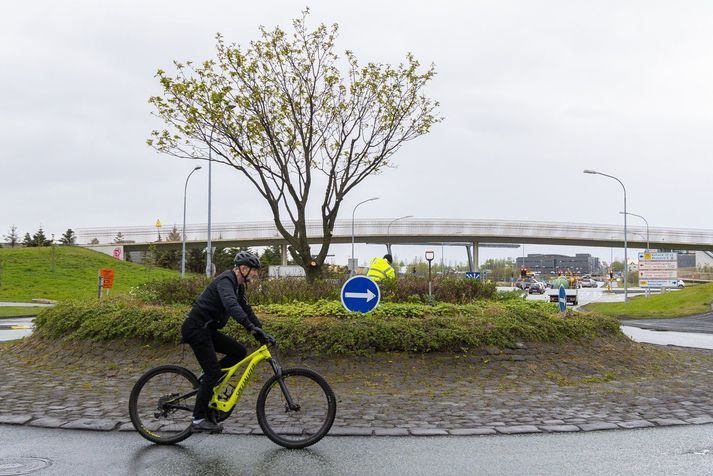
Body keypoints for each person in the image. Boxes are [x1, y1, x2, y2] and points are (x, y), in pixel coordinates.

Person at [181, 250, 275, 433]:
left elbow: (245, 309)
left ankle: (209, 385)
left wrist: (260, 331)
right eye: (254, 270)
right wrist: (249, 327)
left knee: (239, 352)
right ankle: (198, 419)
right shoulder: (226, 281)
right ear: (243, 268)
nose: (256, 274)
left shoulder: (239, 286)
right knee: (213, 372)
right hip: (196, 328)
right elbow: (231, 306)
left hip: (207, 330)